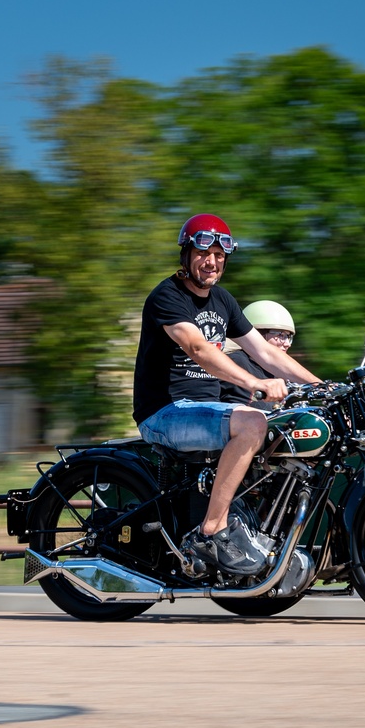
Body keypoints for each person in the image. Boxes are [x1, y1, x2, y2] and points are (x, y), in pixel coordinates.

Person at [131, 214, 322, 575]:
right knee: (252, 423)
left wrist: (321, 386)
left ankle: (258, 531)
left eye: (219, 255)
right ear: (186, 254)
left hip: (204, 409)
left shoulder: (222, 300)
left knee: (280, 429)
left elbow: (265, 353)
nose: (212, 262)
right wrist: (254, 383)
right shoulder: (167, 296)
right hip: (165, 412)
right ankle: (212, 530)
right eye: (204, 253)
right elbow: (198, 349)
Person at [221, 300, 297, 411]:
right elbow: (238, 413)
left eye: (289, 337)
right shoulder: (238, 362)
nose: (287, 344)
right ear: (256, 334)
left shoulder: (274, 372)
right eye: (281, 335)